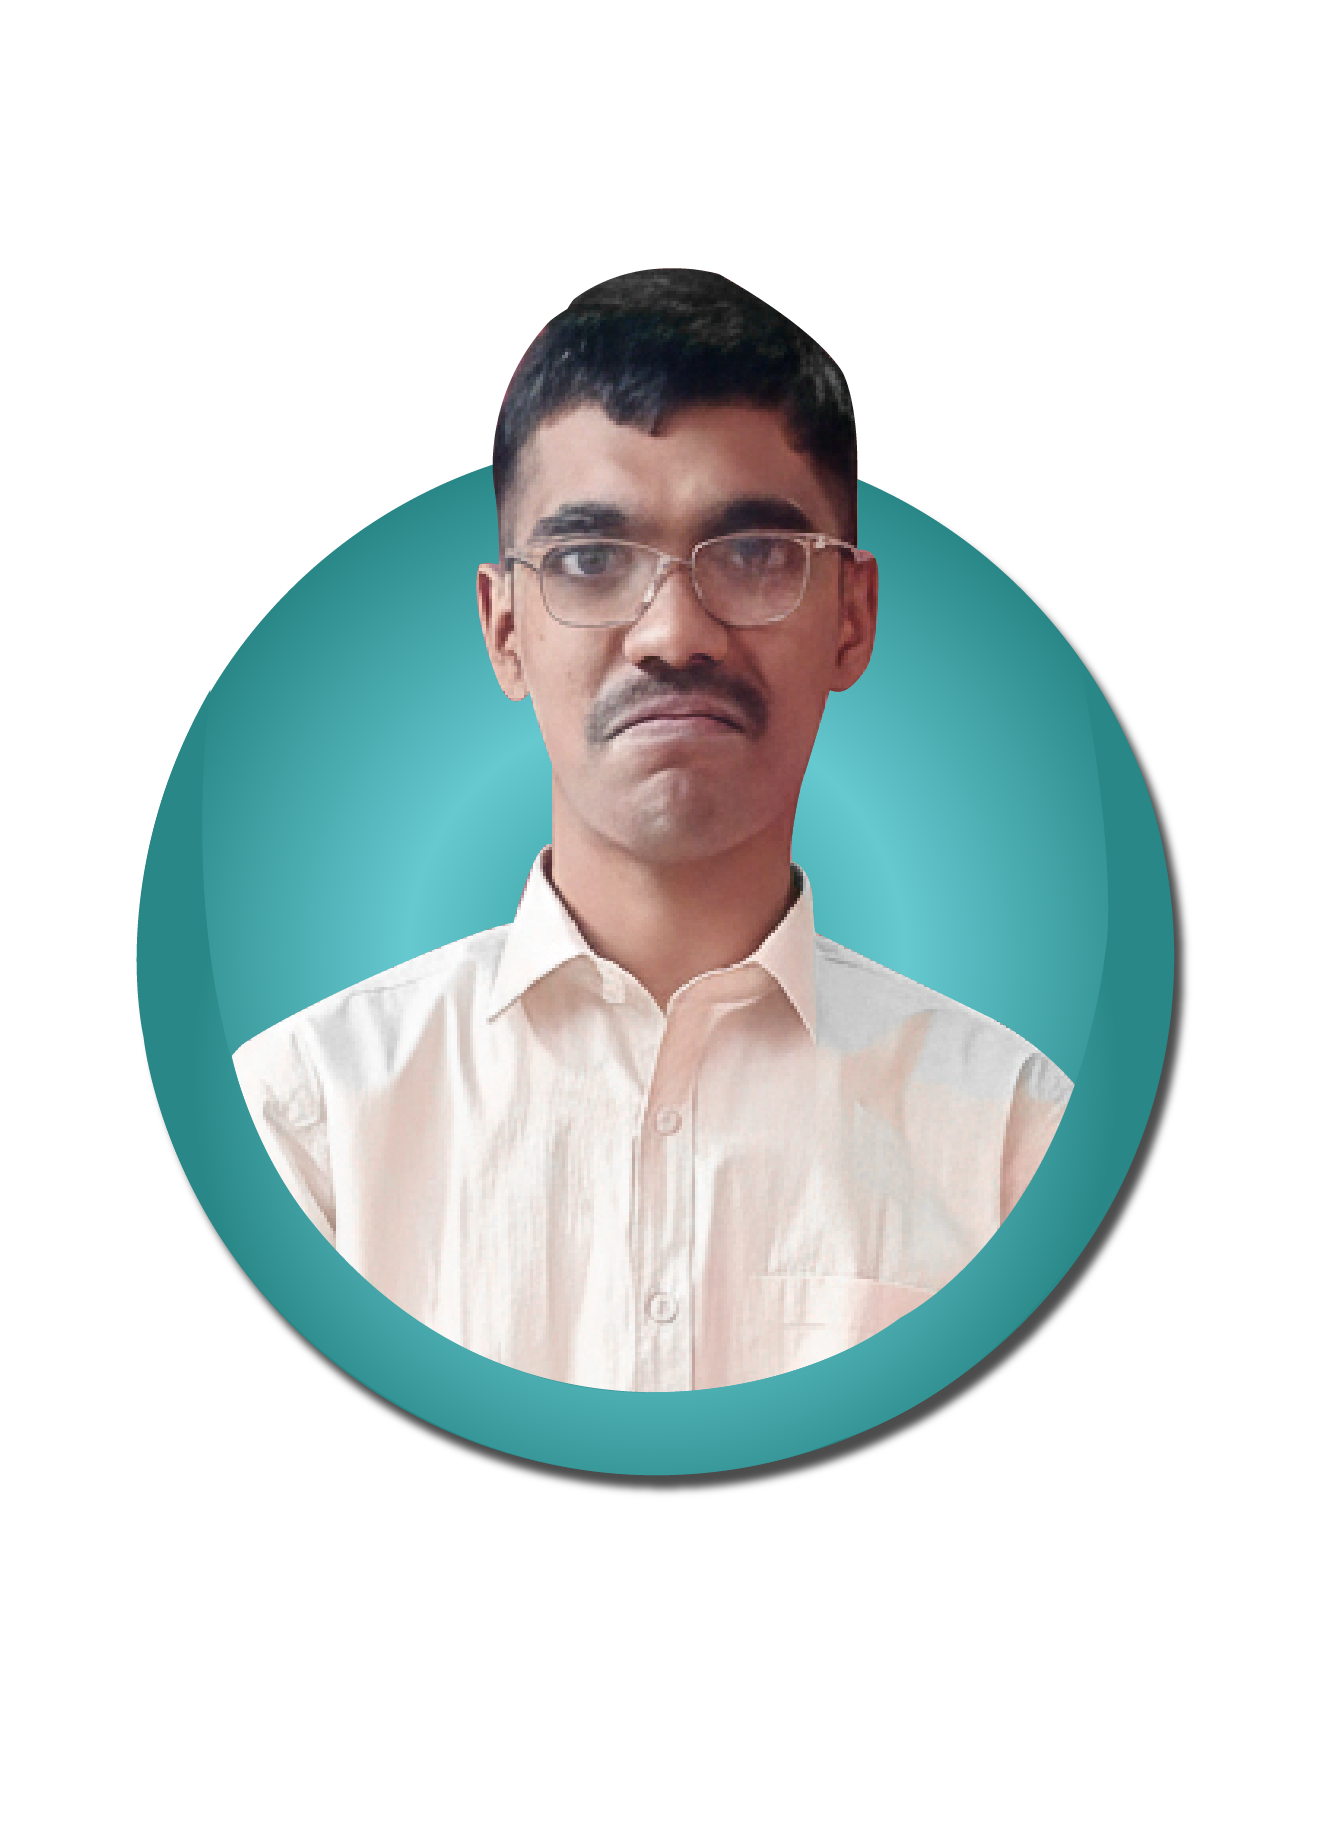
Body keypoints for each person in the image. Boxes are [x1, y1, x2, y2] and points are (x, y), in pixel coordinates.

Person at [233, 268, 1072, 1392]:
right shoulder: (307, 1129)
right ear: (505, 628)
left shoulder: (1016, 1144)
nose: (674, 634)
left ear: (851, 617)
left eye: (756, 553)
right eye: (589, 560)